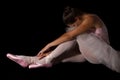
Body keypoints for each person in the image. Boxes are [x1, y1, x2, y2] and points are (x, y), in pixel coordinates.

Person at [6, 6, 120, 73]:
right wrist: (51, 51)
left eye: (74, 23)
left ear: (77, 18)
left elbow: (70, 36)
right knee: (58, 56)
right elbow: (69, 41)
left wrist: (48, 45)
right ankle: (33, 60)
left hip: (100, 53)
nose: (75, 26)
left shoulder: (91, 18)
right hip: (85, 54)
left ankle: (42, 60)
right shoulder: (81, 21)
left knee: (75, 35)